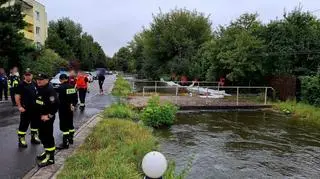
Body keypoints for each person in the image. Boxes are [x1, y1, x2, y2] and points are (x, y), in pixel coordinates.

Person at [35, 73, 59, 167]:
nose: (38, 81)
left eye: (41, 79)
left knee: (47, 136)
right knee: (42, 136)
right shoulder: (40, 88)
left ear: (47, 80)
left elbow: (56, 104)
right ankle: (46, 152)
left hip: (46, 118)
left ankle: (50, 158)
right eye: (38, 79)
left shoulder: (49, 90)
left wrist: (49, 116)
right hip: (40, 117)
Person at [15, 69, 40, 148]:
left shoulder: (34, 83)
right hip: (25, 109)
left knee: (35, 124)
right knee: (23, 124)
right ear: (24, 76)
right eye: (27, 75)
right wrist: (19, 107)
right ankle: (21, 139)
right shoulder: (21, 85)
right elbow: (17, 96)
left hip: (35, 108)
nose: (28, 76)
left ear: (32, 76)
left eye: (29, 75)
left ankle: (34, 137)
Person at [56, 74, 77, 149]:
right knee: (70, 124)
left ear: (61, 79)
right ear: (67, 79)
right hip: (70, 109)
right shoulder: (72, 87)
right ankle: (71, 139)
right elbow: (75, 98)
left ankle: (65, 143)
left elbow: (58, 100)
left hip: (63, 109)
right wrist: (73, 105)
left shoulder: (60, 88)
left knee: (64, 127)